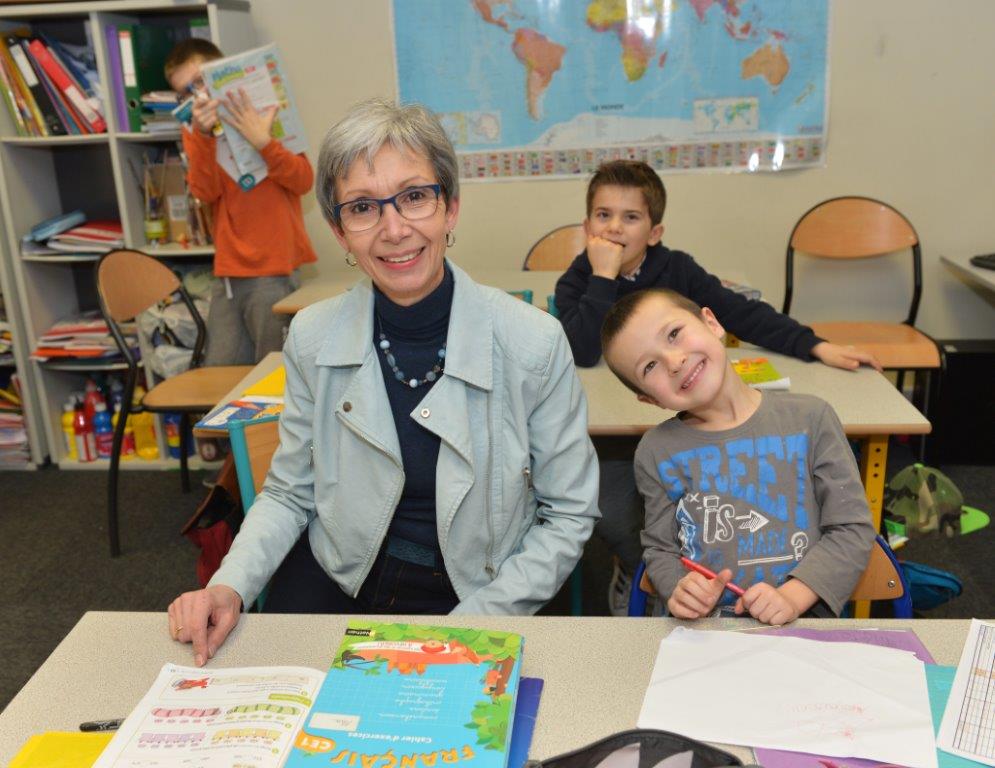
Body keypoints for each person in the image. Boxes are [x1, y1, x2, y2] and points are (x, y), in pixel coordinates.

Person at [167, 98, 600, 666]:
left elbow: (568, 515)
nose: (394, 230)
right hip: (341, 576)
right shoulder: (312, 337)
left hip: (482, 590)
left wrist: (475, 626)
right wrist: (229, 584)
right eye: (364, 207)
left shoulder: (533, 342)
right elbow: (289, 492)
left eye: (415, 197)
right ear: (340, 232)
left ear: (451, 209)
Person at [553, 159, 879, 614]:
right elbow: (584, 350)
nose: (614, 228)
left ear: (654, 231)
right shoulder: (579, 279)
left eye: (631, 217)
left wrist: (814, 345)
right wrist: (602, 276)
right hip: (642, 431)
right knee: (609, 507)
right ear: (587, 226)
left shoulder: (677, 270)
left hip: (690, 419)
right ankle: (635, 569)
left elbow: (740, 312)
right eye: (603, 216)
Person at [601, 288, 876, 623]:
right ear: (649, 399)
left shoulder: (811, 419)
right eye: (649, 367)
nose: (674, 363)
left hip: (802, 625)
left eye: (674, 334)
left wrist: (792, 598)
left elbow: (852, 529)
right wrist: (678, 589)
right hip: (704, 634)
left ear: (712, 323)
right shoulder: (656, 452)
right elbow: (661, 550)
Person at [164, 39, 317, 365]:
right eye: (185, 92)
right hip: (229, 273)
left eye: (200, 83)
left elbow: (303, 180)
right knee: (221, 371)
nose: (197, 96)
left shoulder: (268, 115)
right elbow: (205, 192)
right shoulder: (195, 131)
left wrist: (263, 142)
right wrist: (202, 138)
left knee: (274, 374)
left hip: (274, 268)